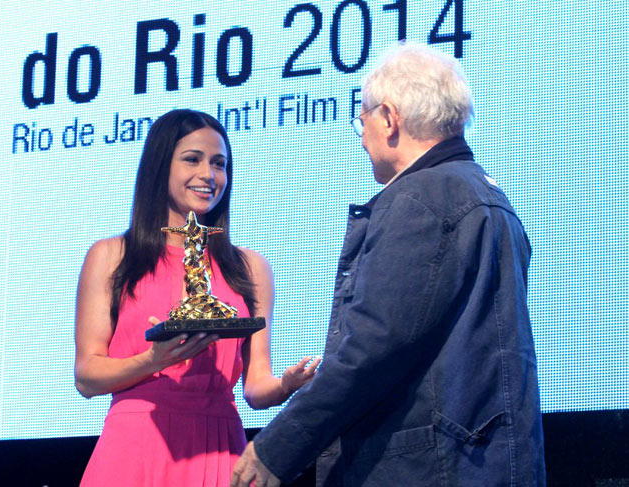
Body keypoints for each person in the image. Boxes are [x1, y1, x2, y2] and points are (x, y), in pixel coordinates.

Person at [231, 43, 546, 487]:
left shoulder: (421, 199)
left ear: (389, 118)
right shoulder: (490, 197)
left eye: (361, 120)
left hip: (429, 469)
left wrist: (277, 447)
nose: (361, 136)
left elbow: (370, 349)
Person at [75, 109, 320, 486]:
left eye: (219, 164)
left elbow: (255, 386)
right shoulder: (112, 256)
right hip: (136, 446)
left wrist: (286, 386)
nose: (209, 175)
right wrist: (152, 360)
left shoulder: (250, 268)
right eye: (193, 159)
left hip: (220, 446)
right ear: (160, 166)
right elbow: (87, 376)